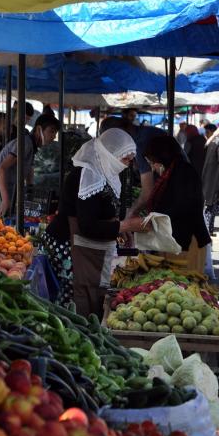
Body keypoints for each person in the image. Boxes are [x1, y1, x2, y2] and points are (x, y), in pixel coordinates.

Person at [40, 129, 140, 310]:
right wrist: (124, 225)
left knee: (85, 296)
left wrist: (120, 228)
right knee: (71, 303)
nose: (128, 164)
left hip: (81, 245)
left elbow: (102, 208)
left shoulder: (105, 171)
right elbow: (87, 225)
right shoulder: (87, 175)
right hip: (67, 246)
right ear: (110, 154)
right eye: (125, 159)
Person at [133, 135, 211, 258]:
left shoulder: (183, 171)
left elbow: (182, 206)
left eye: (153, 162)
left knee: (180, 277)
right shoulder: (172, 171)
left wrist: (150, 219)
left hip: (184, 242)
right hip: (173, 241)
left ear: (162, 157)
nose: (152, 167)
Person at [0, 114, 60, 217]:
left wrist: (30, 192)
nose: (54, 136)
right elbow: (1, 169)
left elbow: (30, 170)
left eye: (55, 133)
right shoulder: (25, 144)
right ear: (39, 129)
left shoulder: (32, 146)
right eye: (51, 131)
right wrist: (5, 200)